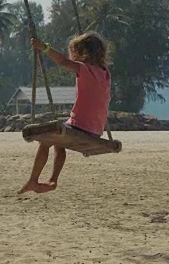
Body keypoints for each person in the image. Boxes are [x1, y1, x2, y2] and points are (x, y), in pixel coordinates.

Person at [18, 31, 112, 194]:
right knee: (59, 142)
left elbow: (62, 61)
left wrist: (44, 47)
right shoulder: (105, 73)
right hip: (95, 129)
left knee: (46, 140)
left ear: (83, 53)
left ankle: (33, 180)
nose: (72, 56)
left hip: (81, 126)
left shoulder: (83, 69)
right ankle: (53, 180)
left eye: (74, 51)